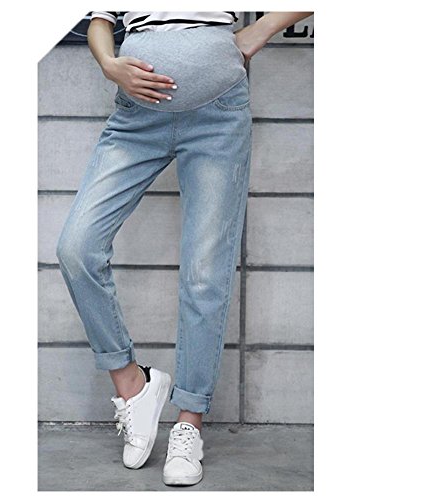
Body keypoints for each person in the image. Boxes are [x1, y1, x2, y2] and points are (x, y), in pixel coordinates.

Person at [56, 10, 313, 486]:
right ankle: (133, 385)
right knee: (77, 248)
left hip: (218, 114)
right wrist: (109, 64)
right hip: (136, 116)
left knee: (204, 273)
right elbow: (100, 20)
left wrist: (260, 29)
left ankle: (189, 423)